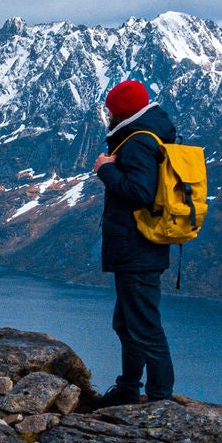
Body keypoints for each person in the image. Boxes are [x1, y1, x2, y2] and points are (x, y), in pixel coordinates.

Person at [83, 78, 176, 408]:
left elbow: (141, 193)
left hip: (138, 250)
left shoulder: (137, 142)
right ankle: (128, 389)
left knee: (146, 327)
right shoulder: (145, 135)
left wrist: (105, 170)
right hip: (138, 248)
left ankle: (160, 400)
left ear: (122, 111)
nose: (107, 115)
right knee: (127, 323)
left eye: (110, 110)